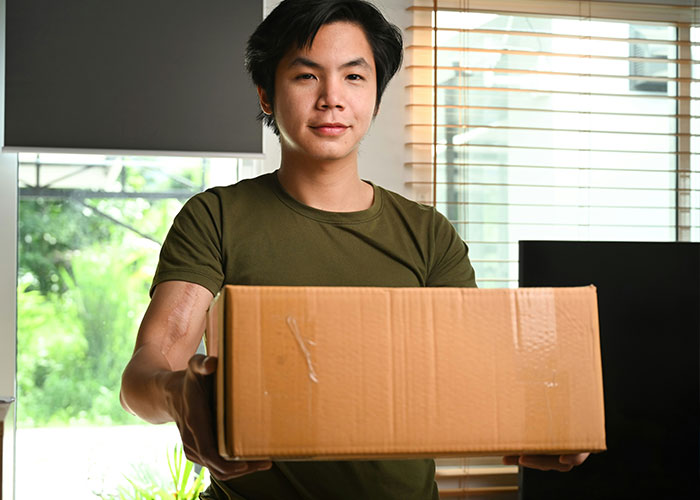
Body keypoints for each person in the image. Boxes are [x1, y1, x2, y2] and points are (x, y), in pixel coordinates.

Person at [120, 1, 588, 498]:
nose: (332, 99)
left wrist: (545, 417)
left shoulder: (430, 236)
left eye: (354, 78)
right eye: (306, 77)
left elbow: (468, 379)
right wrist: (177, 393)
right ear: (265, 94)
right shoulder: (216, 217)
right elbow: (146, 370)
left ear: (377, 99)